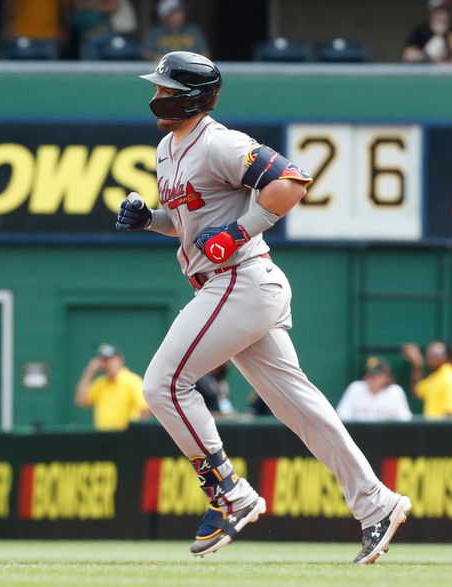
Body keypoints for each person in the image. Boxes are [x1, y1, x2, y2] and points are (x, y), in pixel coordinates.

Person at [115, 51, 411, 564]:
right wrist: (150, 220)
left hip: (239, 281)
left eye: (166, 88)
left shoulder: (220, 141)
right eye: (159, 87)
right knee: (302, 408)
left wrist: (238, 232)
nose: (157, 95)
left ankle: (230, 494)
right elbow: (192, 223)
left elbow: (291, 182)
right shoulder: (167, 148)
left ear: (192, 95)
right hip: (233, 283)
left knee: (163, 383)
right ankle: (376, 503)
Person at [74, 343, 149, 430]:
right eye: (104, 360)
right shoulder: (100, 384)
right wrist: (89, 371)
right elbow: (81, 401)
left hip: (125, 437)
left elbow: (146, 409)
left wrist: (136, 433)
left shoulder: (131, 381)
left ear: (120, 360)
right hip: (103, 437)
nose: (108, 363)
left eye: (111, 359)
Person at [336, 356, 412, 422]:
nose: (370, 377)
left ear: (386, 376)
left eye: (375, 375)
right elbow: (341, 417)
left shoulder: (395, 391)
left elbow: (405, 420)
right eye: (369, 374)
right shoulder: (355, 388)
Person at [401, 340, 452, 418]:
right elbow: (417, 390)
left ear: (446, 356)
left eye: (434, 353)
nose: (430, 357)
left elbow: (451, 414)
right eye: (429, 353)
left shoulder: (451, 378)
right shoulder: (435, 377)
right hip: (433, 428)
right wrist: (417, 364)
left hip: (443, 429)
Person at [142, 0, 210, 62]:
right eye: (175, 12)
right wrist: (155, 57)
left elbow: (205, 53)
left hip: (190, 70)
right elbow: (144, 52)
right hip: (163, 71)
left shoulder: (193, 30)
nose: (179, 15)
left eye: (180, 11)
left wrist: (194, 62)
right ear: (165, 15)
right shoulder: (155, 33)